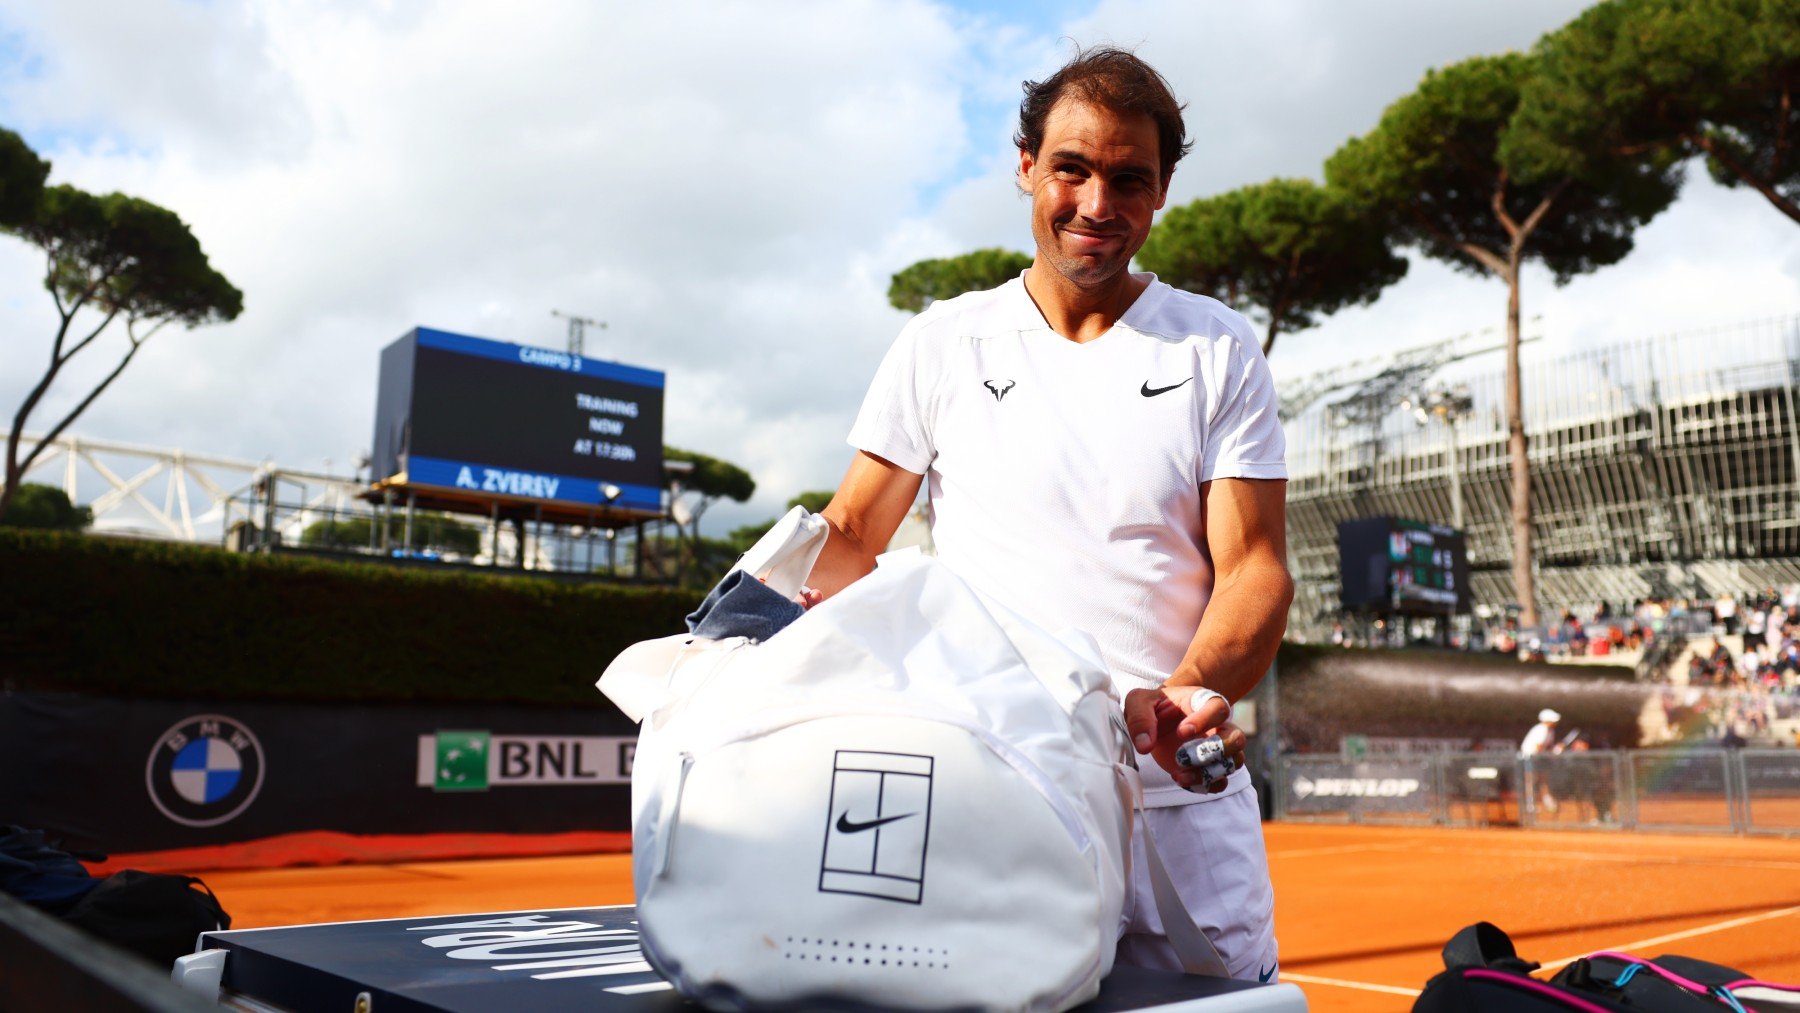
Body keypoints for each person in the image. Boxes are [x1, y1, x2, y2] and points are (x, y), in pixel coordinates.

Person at [802, 46, 1290, 983]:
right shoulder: (943, 338)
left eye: (1128, 179)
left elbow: (1256, 567)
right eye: (1071, 168)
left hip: (1178, 807)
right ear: (1026, 166)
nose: (1097, 205)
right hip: (998, 800)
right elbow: (854, 532)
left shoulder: (1220, 345)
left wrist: (1185, 696)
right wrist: (745, 615)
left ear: (1162, 191)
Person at [1520, 708, 1563, 814]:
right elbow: (1539, 748)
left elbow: (1547, 747)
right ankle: (1530, 806)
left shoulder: (1550, 731)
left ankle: (1547, 800)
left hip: (1539, 758)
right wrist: (1552, 753)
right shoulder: (1541, 729)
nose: (1555, 722)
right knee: (1531, 781)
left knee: (1543, 779)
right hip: (1530, 758)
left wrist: (1556, 749)